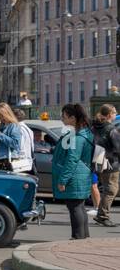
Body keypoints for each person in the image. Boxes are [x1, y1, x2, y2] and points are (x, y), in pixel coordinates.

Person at [53, 103, 95, 240]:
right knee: (79, 207)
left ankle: (77, 238)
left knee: (75, 208)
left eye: (64, 116)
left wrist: (63, 180)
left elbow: (72, 159)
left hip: (75, 177)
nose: (62, 119)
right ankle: (83, 236)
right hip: (81, 175)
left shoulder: (77, 137)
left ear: (72, 118)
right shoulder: (83, 133)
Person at [92, 104, 120, 227]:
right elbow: (118, 147)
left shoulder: (96, 126)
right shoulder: (111, 128)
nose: (115, 115)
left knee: (106, 188)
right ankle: (103, 216)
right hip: (111, 162)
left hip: (99, 159)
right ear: (109, 115)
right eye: (114, 113)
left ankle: (101, 214)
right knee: (111, 190)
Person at [0, 103, 34, 173]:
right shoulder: (2, 126)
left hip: (8, 161)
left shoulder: (13, 125)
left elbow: (15, 144)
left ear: (5, 113)